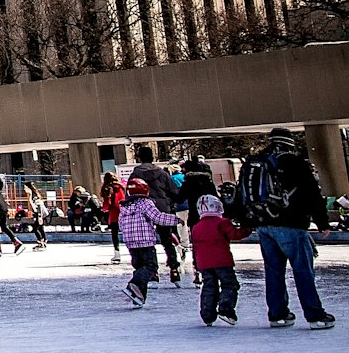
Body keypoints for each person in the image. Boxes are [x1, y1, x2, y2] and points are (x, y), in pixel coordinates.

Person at [242, 129, 335, 330]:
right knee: (302, 271)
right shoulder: (293, 162)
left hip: (264, 224)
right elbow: (312, 192)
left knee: (273, 271)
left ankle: (277, 314)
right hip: (291, 224)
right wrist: (322, 222)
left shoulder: (259, 161)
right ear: (289, 142)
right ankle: (315, 315)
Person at [117, 178, 176, 308]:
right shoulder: (145, 203)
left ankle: (138, 297)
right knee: (150, 266)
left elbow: (120, 224)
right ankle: (134, 285)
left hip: (131, 242)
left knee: (140, 267)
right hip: (145, 240)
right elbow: (157, 217)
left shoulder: (124, 206)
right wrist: (175, 220)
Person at [189, 194, 244, 327]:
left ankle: (207, 314)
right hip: (222, 261)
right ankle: (226, 309)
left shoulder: (196, 227)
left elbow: (195, 247)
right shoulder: (222, 222)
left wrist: (196, 264)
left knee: (209, 286)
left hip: (204, 263)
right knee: (229, 284)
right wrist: (247, 228)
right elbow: (235, 235)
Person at [101, 172, 126, 261]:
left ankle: (117, 253)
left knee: (114, 234)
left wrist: (104, 209)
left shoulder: (108, 188)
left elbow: (107, 202)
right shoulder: (121, 187)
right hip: (124, 210)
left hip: (114, 212)